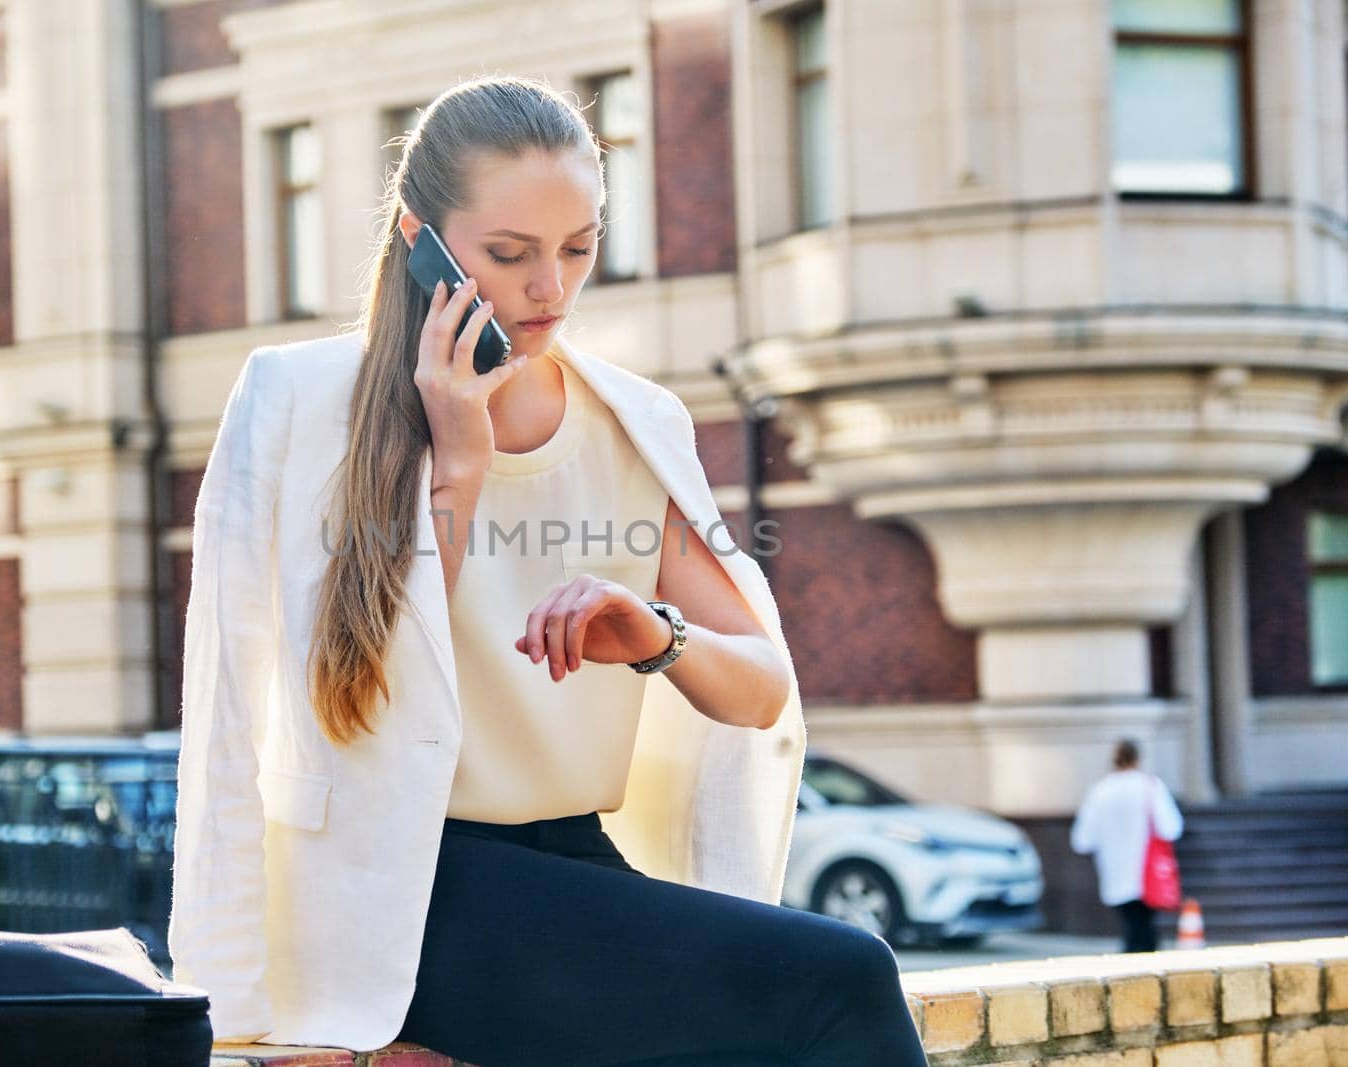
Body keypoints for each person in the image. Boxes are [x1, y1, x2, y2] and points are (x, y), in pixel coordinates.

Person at [168, 75, 930, 1066]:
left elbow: (761, 692)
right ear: (419, 239)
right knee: (842, 978)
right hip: (399, 891)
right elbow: (302, 704)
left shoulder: (635, 420)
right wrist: (459, 462)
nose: (550, 290)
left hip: (570, 866)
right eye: (509, 254)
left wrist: (653, 634)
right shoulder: (296, 402)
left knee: (815, 988)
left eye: (578, 248)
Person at [1069, 739, 1186, 953]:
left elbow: (1082, 839)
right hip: (1147, 871)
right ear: (1138, 759)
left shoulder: (1101, 790)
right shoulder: (1150, 786)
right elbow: (1171, 827)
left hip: (1114, 871)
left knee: (1132, 925)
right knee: (1144, 928)